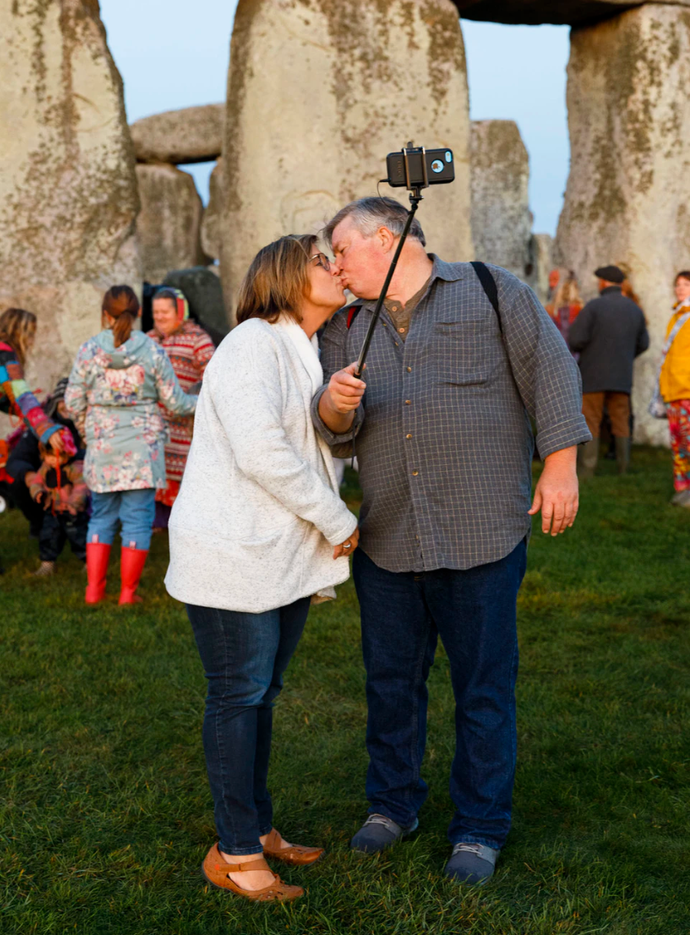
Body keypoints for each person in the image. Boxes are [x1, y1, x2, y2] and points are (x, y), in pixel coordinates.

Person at [312, 196, 589, 885]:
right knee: (390, 686)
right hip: (388, 536)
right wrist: (332, 409)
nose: (336, 267)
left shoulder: (493, 290)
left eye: (341, 251)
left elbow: (552, 372)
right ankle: (393, 805)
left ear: (385, 236)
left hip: (483, 531)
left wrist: (559, 465)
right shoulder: (347, 326)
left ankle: (479, 827)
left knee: (484, 690)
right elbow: (336, 431)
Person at [165, 235, 359, 902]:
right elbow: (264, 453)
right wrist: (339, 519)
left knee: (260, 697)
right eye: (321, 260)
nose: (336, 269)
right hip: (232, 554)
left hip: (276, 556)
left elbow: (318, 443)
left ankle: (257, 826)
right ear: (285, 276)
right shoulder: (252, 342)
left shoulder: (306, 348)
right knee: (239, 696)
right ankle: (236, 852)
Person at [65, 285, 197, 606]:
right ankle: (127, 594)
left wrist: (89, 433)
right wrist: (203, 399)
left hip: (102, 446)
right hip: (143, 447)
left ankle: (94, 591)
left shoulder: (88, 351)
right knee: (138, 519)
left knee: (101, 518)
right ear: (139, 313)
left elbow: (72, 401)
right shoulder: (151, 350)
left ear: (105, 315)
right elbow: (176, 403)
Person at [0, 308, 64, 578]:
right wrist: (46, 429)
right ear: (21, 332)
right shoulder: (4, 355)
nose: (32, 341)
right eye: (31, 334)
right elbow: (21, 397)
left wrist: (33, 412)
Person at [568, 265, 649, 478]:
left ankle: (587, 470)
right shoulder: (634, 309)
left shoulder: (594, 307)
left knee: (590, 420)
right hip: (622, 375)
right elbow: (644, 343)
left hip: (593, 374)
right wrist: (624, 356)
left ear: (603, 282)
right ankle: (623, 468)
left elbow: (575, 339)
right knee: (621, 420)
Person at [147, 288, 215, 529]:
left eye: (165, 311)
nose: (160, 317)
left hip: (185, 424)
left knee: (186, 479)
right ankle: (155, 525)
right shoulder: (148, 340)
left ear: (179, 311)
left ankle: (184, 525)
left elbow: (213, 377)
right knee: (155, 474)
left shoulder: (198, 339)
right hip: (153, 427)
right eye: (156, 312)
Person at [6, 377, 84, 540]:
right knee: (17, 479)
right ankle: (38, 523)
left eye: (74, 400)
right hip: (47, 484)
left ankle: (85, 528)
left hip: (77, 483)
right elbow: (15, 461)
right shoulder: (41, 428)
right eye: (63, 400)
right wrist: (31, 478)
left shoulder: (89, 427)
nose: (67, 405)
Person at [28, 429, 89, 576]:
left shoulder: (75, 468)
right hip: (53, 510)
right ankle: (48, 563)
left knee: (79, 537)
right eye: (48, 456)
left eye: (57, 456)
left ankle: (90, 562)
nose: (53, 460)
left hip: (72, 511)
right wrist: (38, 493)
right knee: (49, 536)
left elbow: (81, 486)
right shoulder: (45, 469)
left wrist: (75, 502)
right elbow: (36, 482)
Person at [657, 271, 690, 506]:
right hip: (673, 391)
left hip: (687, 389)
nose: (680, 288)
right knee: (679, 445)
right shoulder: (677, 315)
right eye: (677, 284)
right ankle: (682, 489)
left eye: (686, 284)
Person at [545, 270, 583, 349]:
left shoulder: (576, 309)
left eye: (555, 280)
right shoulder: (548, 309)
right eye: (549, 281)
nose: (551, 285)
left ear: (565, 283)